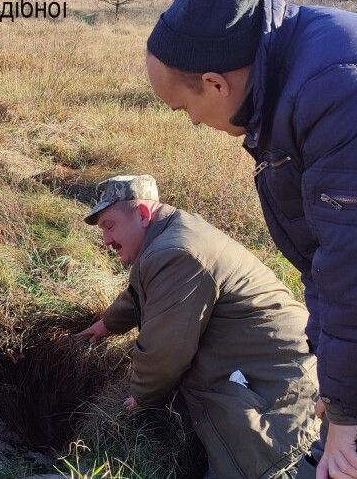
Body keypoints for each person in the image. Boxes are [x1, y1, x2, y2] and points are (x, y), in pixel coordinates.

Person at [144, 0, 357, 477]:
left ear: (216, 84)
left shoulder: (339, 86)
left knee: (356, 466)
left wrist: (346, 410)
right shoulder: (287, 78)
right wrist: (337, 381)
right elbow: (325, 259)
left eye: (181, 108)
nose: (190, 122)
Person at [76, 175, 319, 478]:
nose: (105, 241)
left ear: (141, 214)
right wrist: (107, 325)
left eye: (109, 226)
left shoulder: (176, 253)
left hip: (275, 388)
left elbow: (165, 353)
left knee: (264, 465)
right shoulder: (171, 236)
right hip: (267, 365)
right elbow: (145, 291)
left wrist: (140, 397)